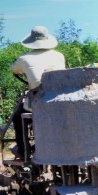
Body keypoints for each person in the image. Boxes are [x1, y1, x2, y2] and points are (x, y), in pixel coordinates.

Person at [10, 26, 66, 157]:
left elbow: (14, 69)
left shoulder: (24, 58)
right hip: (60, 97)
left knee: (18, 118)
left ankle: (24, 151)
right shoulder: (59, 56)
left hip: (39, 98)